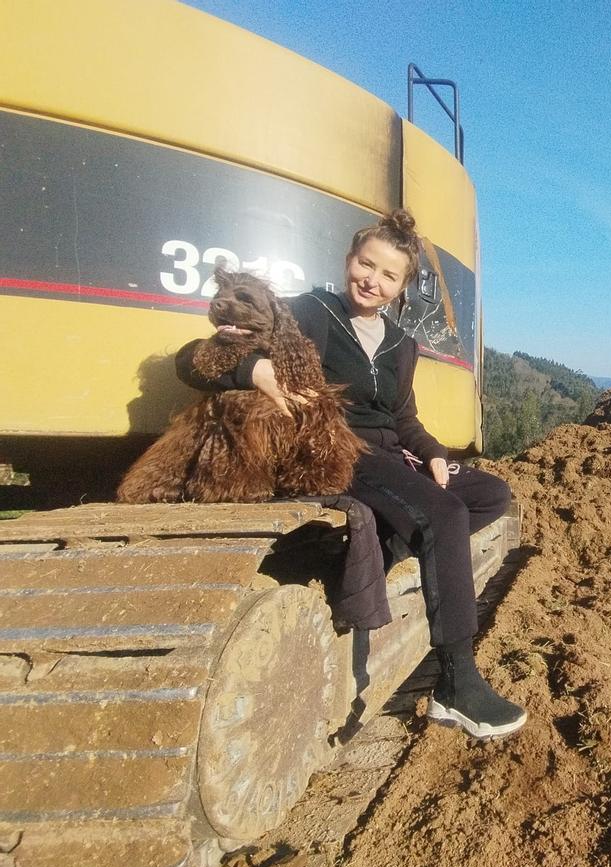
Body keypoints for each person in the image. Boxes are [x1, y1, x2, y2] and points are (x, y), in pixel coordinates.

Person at [177, 209, 526, 740]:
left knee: (490, 494)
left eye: (389, 275)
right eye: (367, 264)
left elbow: (403, 418)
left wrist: (432, 453)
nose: (373, 280)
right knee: (443, 515)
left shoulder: (400, 344)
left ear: (402, 287)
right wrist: (255, 370)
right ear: (349, 261)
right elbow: (192, 359)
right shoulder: (307, 313)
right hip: (337, 452)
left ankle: (386, 549)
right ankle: (456, 683)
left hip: (393, 457)